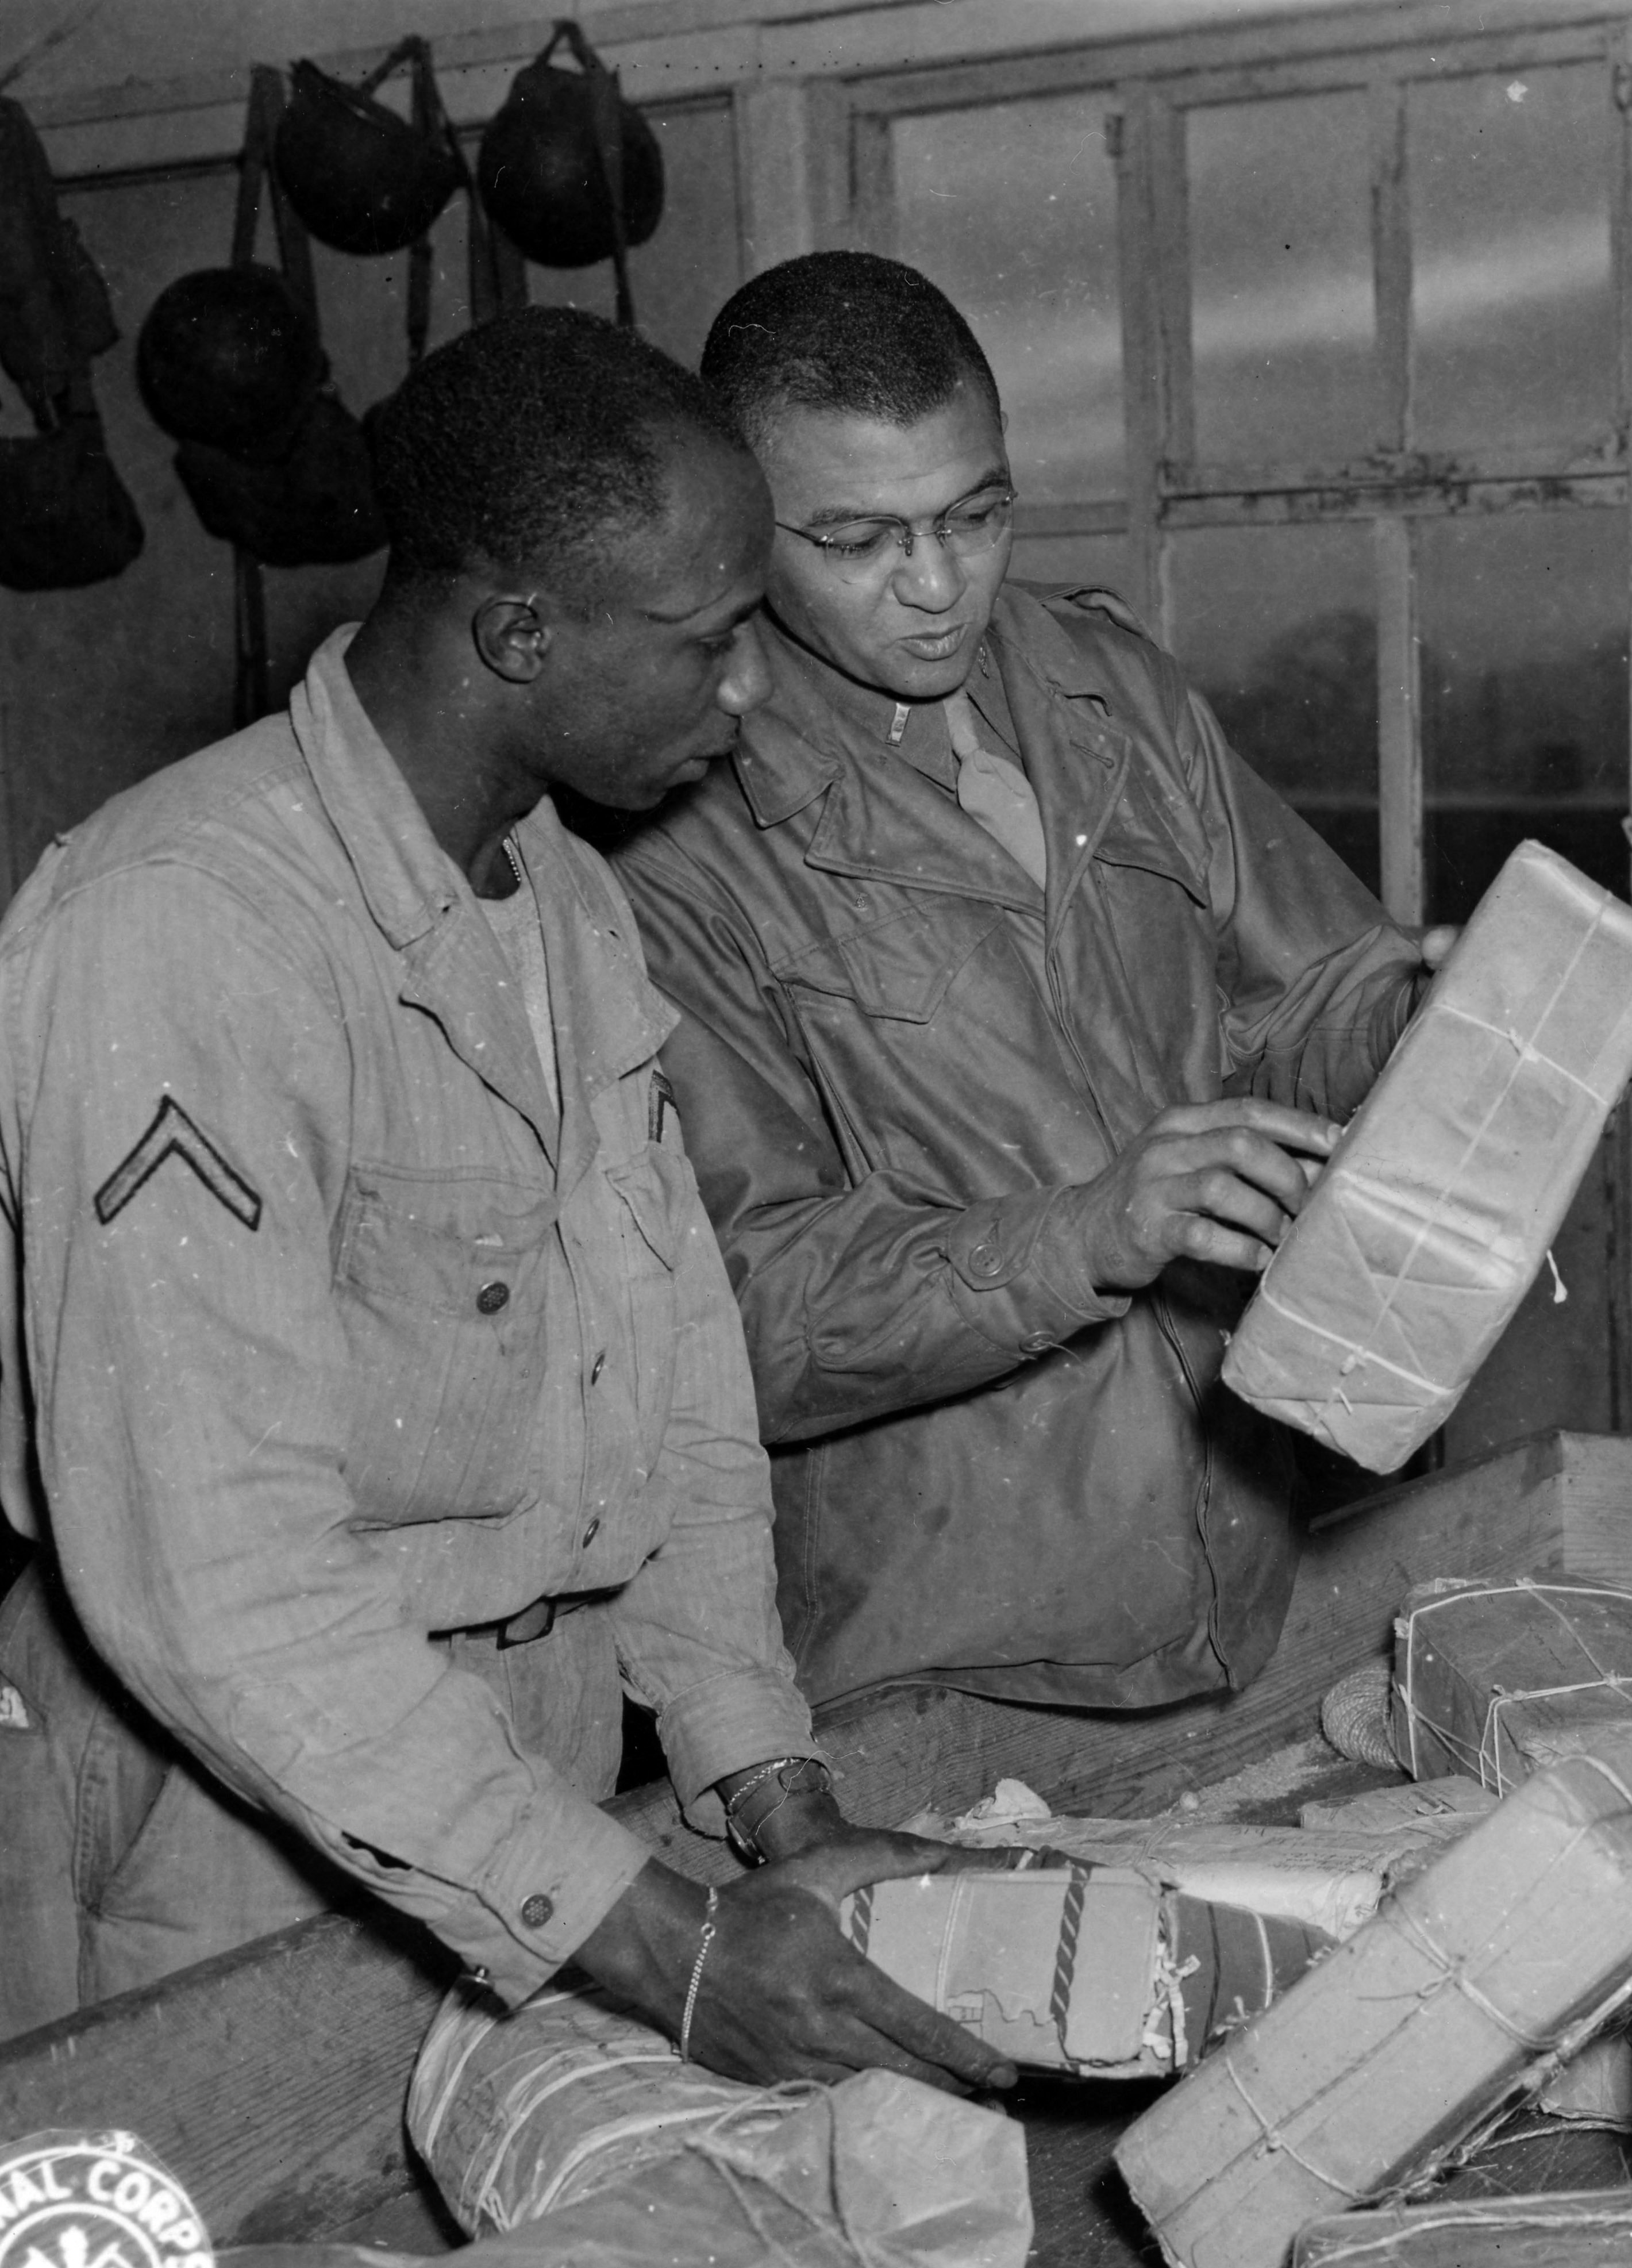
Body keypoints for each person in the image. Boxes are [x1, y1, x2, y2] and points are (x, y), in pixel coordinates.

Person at [0, 306, 1012, 2097]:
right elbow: (221, 1586)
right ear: (519, 633)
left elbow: (676, 1391)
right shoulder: (183, 927)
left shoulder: (556, 890)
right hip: (232, 1798)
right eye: (709, 644)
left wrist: (780, 1809)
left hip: (528, 1763)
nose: (751, 688)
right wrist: (662, 1942)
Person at [615, 253, 1442, 1710]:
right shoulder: (673, 826)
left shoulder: (1106, 685)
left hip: (1255, 1553)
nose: (938, 590)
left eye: (975, 515)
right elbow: (745, 1309)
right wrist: (1088, 1233)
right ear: (741, 527)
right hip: (956, 1643)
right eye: (859, 538)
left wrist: (1429, 1022)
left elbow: (1303, 996)